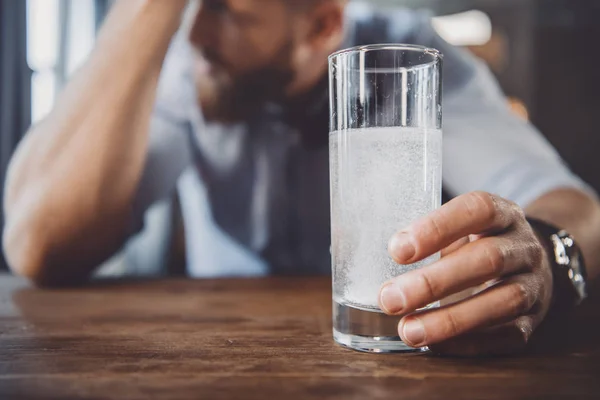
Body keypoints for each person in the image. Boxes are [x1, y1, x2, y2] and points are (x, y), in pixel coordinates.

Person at [3, 0, 600, 356]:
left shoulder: (409, 54)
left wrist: (545, 252)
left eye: (224, 9)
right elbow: (36, 245)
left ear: (321, 27)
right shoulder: (200, 74)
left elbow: (579, 207)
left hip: (397, 349)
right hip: (225, 358)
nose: (195, 35)